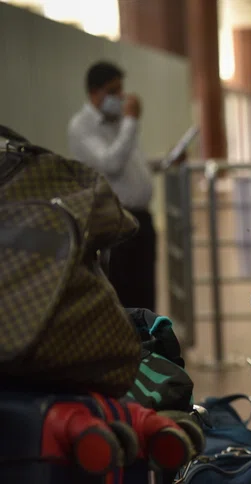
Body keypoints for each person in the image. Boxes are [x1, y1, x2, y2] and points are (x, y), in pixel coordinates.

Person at [68, 61, 155, 311]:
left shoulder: (117, 122)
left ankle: (149, 348)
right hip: (116, 225)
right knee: (125, 295)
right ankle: (129, 350)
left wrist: (165, 161)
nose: (121, 97)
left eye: (122, 90)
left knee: (146, 295)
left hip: (142, 220)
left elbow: (131, 164)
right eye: (114, 91)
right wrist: (131, 121)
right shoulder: (81, 127)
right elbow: (111, 163)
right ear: (95, 93)